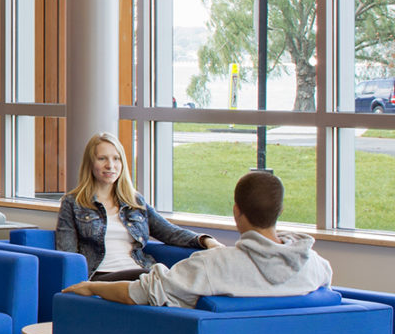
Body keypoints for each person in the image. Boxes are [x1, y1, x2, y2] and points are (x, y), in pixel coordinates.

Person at [63, 170, 331, 308]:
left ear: (236, 212)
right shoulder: (315, 265)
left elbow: (143, 293)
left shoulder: (214, 266)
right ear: (280, 212)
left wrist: (92, 288)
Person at [55, 132, 215, 281]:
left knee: (180, 281)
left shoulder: (134, 201)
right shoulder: (73, 203)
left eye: (116, 158)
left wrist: (205, 240)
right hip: (102, 277)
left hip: (139, 272)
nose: (110, 165)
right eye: (102, 158)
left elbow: (170, 232)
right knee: (161, 279)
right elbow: (68, 254)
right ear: (90, 163)